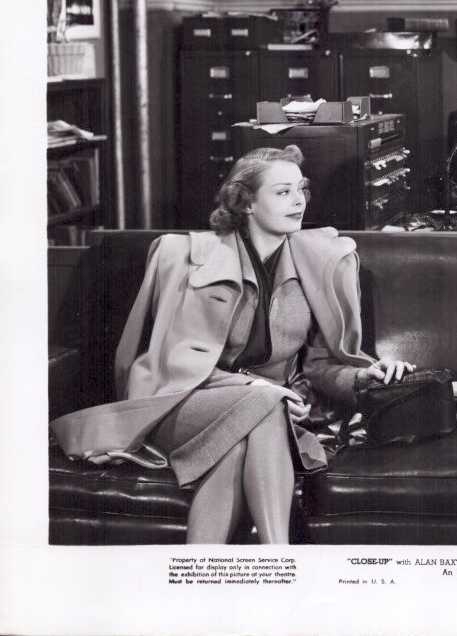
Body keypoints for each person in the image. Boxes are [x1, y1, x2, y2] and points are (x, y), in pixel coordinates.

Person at [50, 146, 414, 543]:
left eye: (302, 189)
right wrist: (257, 387)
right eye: (283, 192)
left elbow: (319, 367)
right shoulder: (191, 258)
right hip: (184, 400)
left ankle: (213, 568)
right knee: (265, 405)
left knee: (239, 443)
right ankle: (279, 559)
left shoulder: (321, 262)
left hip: (269, 410)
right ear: (247, 202)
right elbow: (179, 361)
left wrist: (363, 376)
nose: (298, 201)